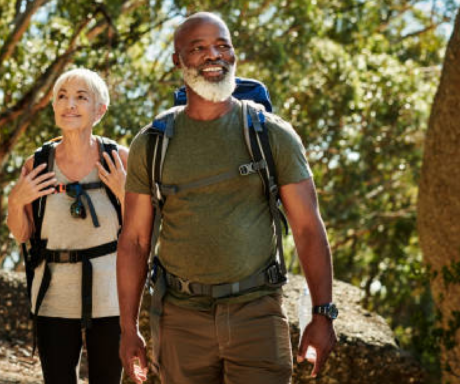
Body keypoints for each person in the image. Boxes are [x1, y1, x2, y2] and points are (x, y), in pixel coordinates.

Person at [117, 12, 337, 384]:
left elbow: (308, 228)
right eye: (199, 48)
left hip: (257, 313)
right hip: (180, 319)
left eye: (222, 46)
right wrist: (127, 329)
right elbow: (135, 241)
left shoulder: (272, 135)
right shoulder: (152, 144)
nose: (213, 55)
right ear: (178, 61)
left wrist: (322, 314)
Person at [7, 68, 128, 384]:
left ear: (99, 110)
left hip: (111, 294)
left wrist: (124, 193)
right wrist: (15, 201)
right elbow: (22, 233)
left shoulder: (119, 160)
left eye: (80, 97)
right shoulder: (38, 163)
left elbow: (144, 230)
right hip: (53, 293)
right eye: (62, 96)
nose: (69, 104)